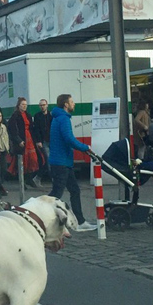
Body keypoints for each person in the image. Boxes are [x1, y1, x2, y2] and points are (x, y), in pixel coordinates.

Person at [48, 94, 98, 232]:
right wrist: (85, 147)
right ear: (65, 104)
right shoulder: (63, 119)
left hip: (63, 162)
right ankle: (42, 216)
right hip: (61, 162)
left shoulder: (58, 117)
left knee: (74, 190)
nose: (74, 104)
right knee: (56, 193)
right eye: (72, 102)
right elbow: (69, 139)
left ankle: (80, 221)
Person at [7, 97, 40, 188]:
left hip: (29, 138)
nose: (24, 106)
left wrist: (36, 140)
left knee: (32, 159)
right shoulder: (15, 116)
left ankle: (29, 178)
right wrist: (18, 140)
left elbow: (32, 128)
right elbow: (12, 130)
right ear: (18, 105)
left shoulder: (28, 115)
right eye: (23, 105)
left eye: (25, 105)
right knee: (22, 161)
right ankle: (22, 181)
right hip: (21, 139)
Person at [32, 99, 53, 181]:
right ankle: (53, 179)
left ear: (47, 105)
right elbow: (36, 129)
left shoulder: (51, 115)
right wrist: (38, 141)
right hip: (43, 141)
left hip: (52, 141)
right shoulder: (37, 116)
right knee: (48, 160)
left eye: (43, 105)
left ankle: (37, 178)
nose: (42, 106)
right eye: (41, 105)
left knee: (51, 160)